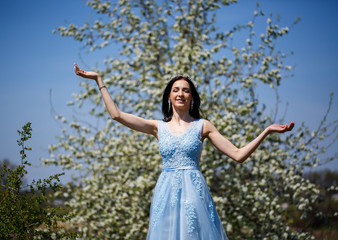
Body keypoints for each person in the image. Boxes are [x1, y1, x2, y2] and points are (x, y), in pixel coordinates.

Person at [74, 64, 295, 240]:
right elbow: (117, 115)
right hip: (165, 194)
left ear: (192, 97)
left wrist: (266, 131)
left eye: (186, 90)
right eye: (176, 90)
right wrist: (98, 80)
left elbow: (238, 154)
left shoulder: (203, 126)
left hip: (194, 195)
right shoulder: (157, 127)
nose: (181, 93)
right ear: (169, 96)